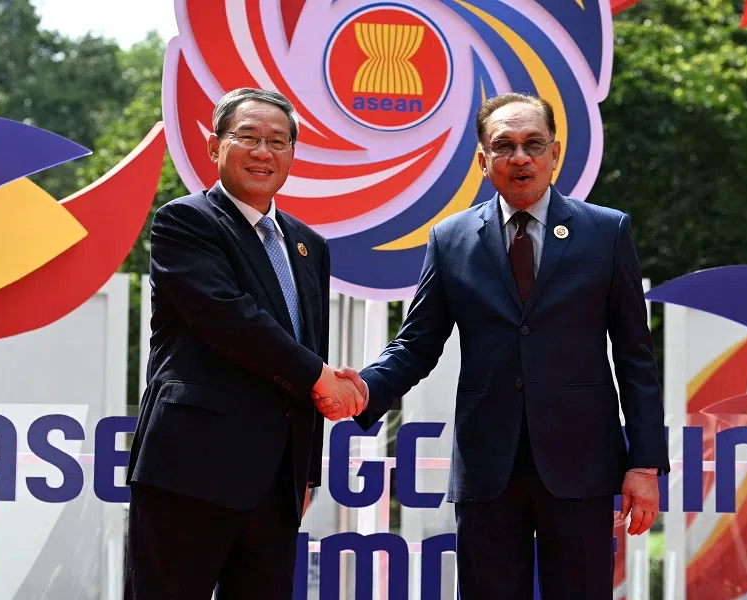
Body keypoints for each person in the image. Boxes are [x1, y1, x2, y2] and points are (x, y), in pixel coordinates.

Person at [321, 92, 670, 599]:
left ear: (555, 154)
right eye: (503, 146)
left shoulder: (606, 232)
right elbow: (417, 343)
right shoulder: (451, 238)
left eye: (533, 144)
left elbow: (636, 358)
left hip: (581, 465)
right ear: (484, 162)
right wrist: (364, 390)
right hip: (488, 469)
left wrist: (644, 463)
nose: (520, 157)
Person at [124, 88, 364, 600]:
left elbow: (307, 343)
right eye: (248, 137)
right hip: (190, 471)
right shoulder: (186, 222)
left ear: (292, 155)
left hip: (275, 482)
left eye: (278, 141)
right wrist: (323, 377)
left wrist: (307, 470)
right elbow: (232, 320)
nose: (263, 152)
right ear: (214, 147)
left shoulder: (308, 245)